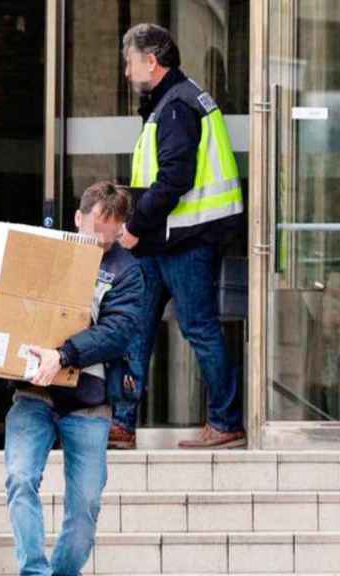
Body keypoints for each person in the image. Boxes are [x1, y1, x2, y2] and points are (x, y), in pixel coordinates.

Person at [112, 23, 245, 449]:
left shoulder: (176, 106)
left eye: (130, 63)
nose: (127, 73)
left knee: (198, 328)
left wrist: (133, 227)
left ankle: (225, 423)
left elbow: (173, 179)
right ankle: (123, 423)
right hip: (165, 240)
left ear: (151, 61)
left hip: (185, 241)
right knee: (135, 326)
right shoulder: (173, 100)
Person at [4, 181, 144, 576]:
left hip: (89, 400)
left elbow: (118, 331)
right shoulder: (44, 255)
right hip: (34, 394)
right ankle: (34, 571)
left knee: (85, 506)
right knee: (19, 478)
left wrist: (63, 354)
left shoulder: (127, 273)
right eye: (94, 229)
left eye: (110, 234)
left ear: (120, 229)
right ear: (77, 218)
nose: (100, 241)